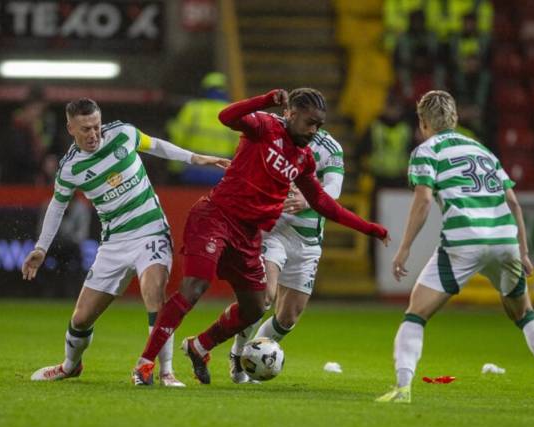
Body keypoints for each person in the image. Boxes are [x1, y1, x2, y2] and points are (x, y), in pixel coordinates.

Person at [132, 88, 390, 386]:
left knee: (256, 306)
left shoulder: (304, 159)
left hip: (249, 235)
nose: (314, 130)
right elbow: (226, 116)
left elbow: (325, 205)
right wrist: (265, 100)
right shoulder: (264, 126)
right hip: (216, 217)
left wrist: (371, 229)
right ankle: (145, 363)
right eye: (309, 122)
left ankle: (200, 346)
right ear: (290, 114)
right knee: (195, 284)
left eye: (319, 124)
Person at [376, 90, 534, 404]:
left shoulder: (426, 151)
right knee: (525, 314)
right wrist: (523, 252)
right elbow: (513, 202)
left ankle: (403, 388)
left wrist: (404, 248)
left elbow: (424, 199)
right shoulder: (483, 151)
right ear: (455, 119)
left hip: (463, 242)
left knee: (416, 314)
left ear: (422, 123)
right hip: (504, 240)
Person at [22, 98, 230, 387]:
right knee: (81, 319)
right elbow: (57, 207)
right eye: (85, 129)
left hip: (151, 230)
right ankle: (70, 366)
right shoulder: (71, 168)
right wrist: (41, 248)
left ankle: (166, 371)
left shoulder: (122, 134)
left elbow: (156, 145)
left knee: (153, 294)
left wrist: (195, 158)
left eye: (96, 126)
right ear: (71, 128)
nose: (93, 134)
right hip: (114, 243)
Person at [228, 127, 345, 383]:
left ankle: (255, 356)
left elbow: (335, 186)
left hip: (308, 241)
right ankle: (238, 354)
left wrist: (309, 200)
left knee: (288, 317)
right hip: (275, 230)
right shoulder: (273, 137)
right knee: (264, 296)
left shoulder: (330, 147)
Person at [167, 72, 239, 185]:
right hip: (221, 174)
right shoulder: (234, 111)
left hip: (192, 171)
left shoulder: (192, 109)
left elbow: (177, 138)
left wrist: (174, 168)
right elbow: (240, 146)